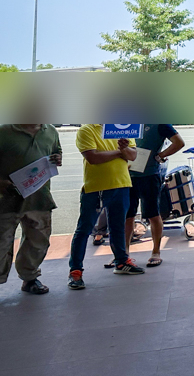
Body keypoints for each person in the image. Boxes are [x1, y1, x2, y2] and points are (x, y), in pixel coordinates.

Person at [69, 124, 145, 289]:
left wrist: (124, 150)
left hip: (122, 185)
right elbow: (93, 158)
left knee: (118, 227)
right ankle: (75, 272)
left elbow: (132, 155)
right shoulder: (86, 130)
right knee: (84, 230)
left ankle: (121, 262)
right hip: (95, 189)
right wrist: (120, 152)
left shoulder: (122, 128)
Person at [0, 123, 63, 295]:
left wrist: (57, 158)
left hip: (39, 198)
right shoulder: (4, 132)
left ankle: (30, 278)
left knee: (37, 241)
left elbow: (56, 150)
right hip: (6, 200)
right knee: (1, 243)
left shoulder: (50, 131)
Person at [123, 124, 184, 269]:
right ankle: (123, 254)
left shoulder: (160, 123)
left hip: (149, 175)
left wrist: (161, 155)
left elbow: (179, 142)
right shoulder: (126, 123)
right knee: (128, 215)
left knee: (153, 214)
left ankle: (156, 251)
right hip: (126, 175)